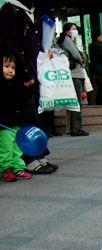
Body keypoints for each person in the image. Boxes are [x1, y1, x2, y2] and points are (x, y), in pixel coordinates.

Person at [0, 0, 58, 174]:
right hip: (21, 75)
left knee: (41, 115)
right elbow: (10, 43)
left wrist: (47, 50)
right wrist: (25, 72)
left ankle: (39, 152)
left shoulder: (35, 11)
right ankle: (28, 158)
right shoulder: (10, 9)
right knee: (28, 116)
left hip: (37, 71)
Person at [0, 52, 33, 182]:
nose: (10, 70)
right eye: (7, 66)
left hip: (17, 122)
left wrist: (27, 87)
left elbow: (23, 99)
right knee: (6, 148)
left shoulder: (16, 84)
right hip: (4, 124)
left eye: (13, 68)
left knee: (17, 147)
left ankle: (18, 168)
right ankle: (6, 169)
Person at [58, 23, 89, 137]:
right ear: (67, 31)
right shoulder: (67, 41)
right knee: (77, 102)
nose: (76, 31)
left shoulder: (72, 41)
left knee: (77, 102)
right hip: (74, 74)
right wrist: (82, 60)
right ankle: (76, 128)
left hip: (76, 73)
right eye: (73, 29)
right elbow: (77, 55)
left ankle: (76, 127)